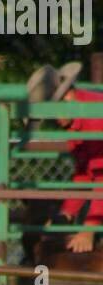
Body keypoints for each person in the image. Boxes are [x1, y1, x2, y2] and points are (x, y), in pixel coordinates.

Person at [27, 63, 103, 254]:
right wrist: (66, 214)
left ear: (68, 96)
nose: (54, 119)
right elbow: (85, 175)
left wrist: (89, 230)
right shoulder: (77, 123)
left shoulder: (95, 120)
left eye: (53, 112)